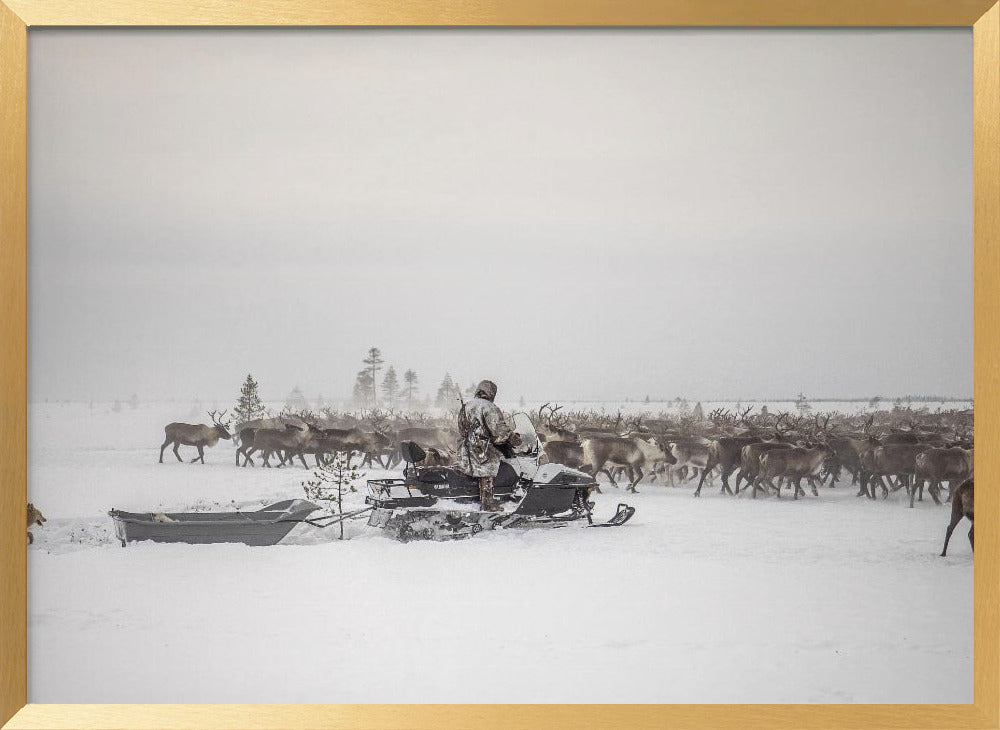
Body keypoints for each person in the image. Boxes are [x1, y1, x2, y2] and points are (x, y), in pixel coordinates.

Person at [456, 379, 521, 511]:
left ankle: (470, 498)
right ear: (491, 392)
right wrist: (512, 437)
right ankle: (488, 503)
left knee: (471, 471)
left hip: (466, 446)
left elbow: (461, 429)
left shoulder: (466, 406)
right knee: (488, 470)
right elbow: (498, 430)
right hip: (482, 447)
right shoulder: (489, 407)